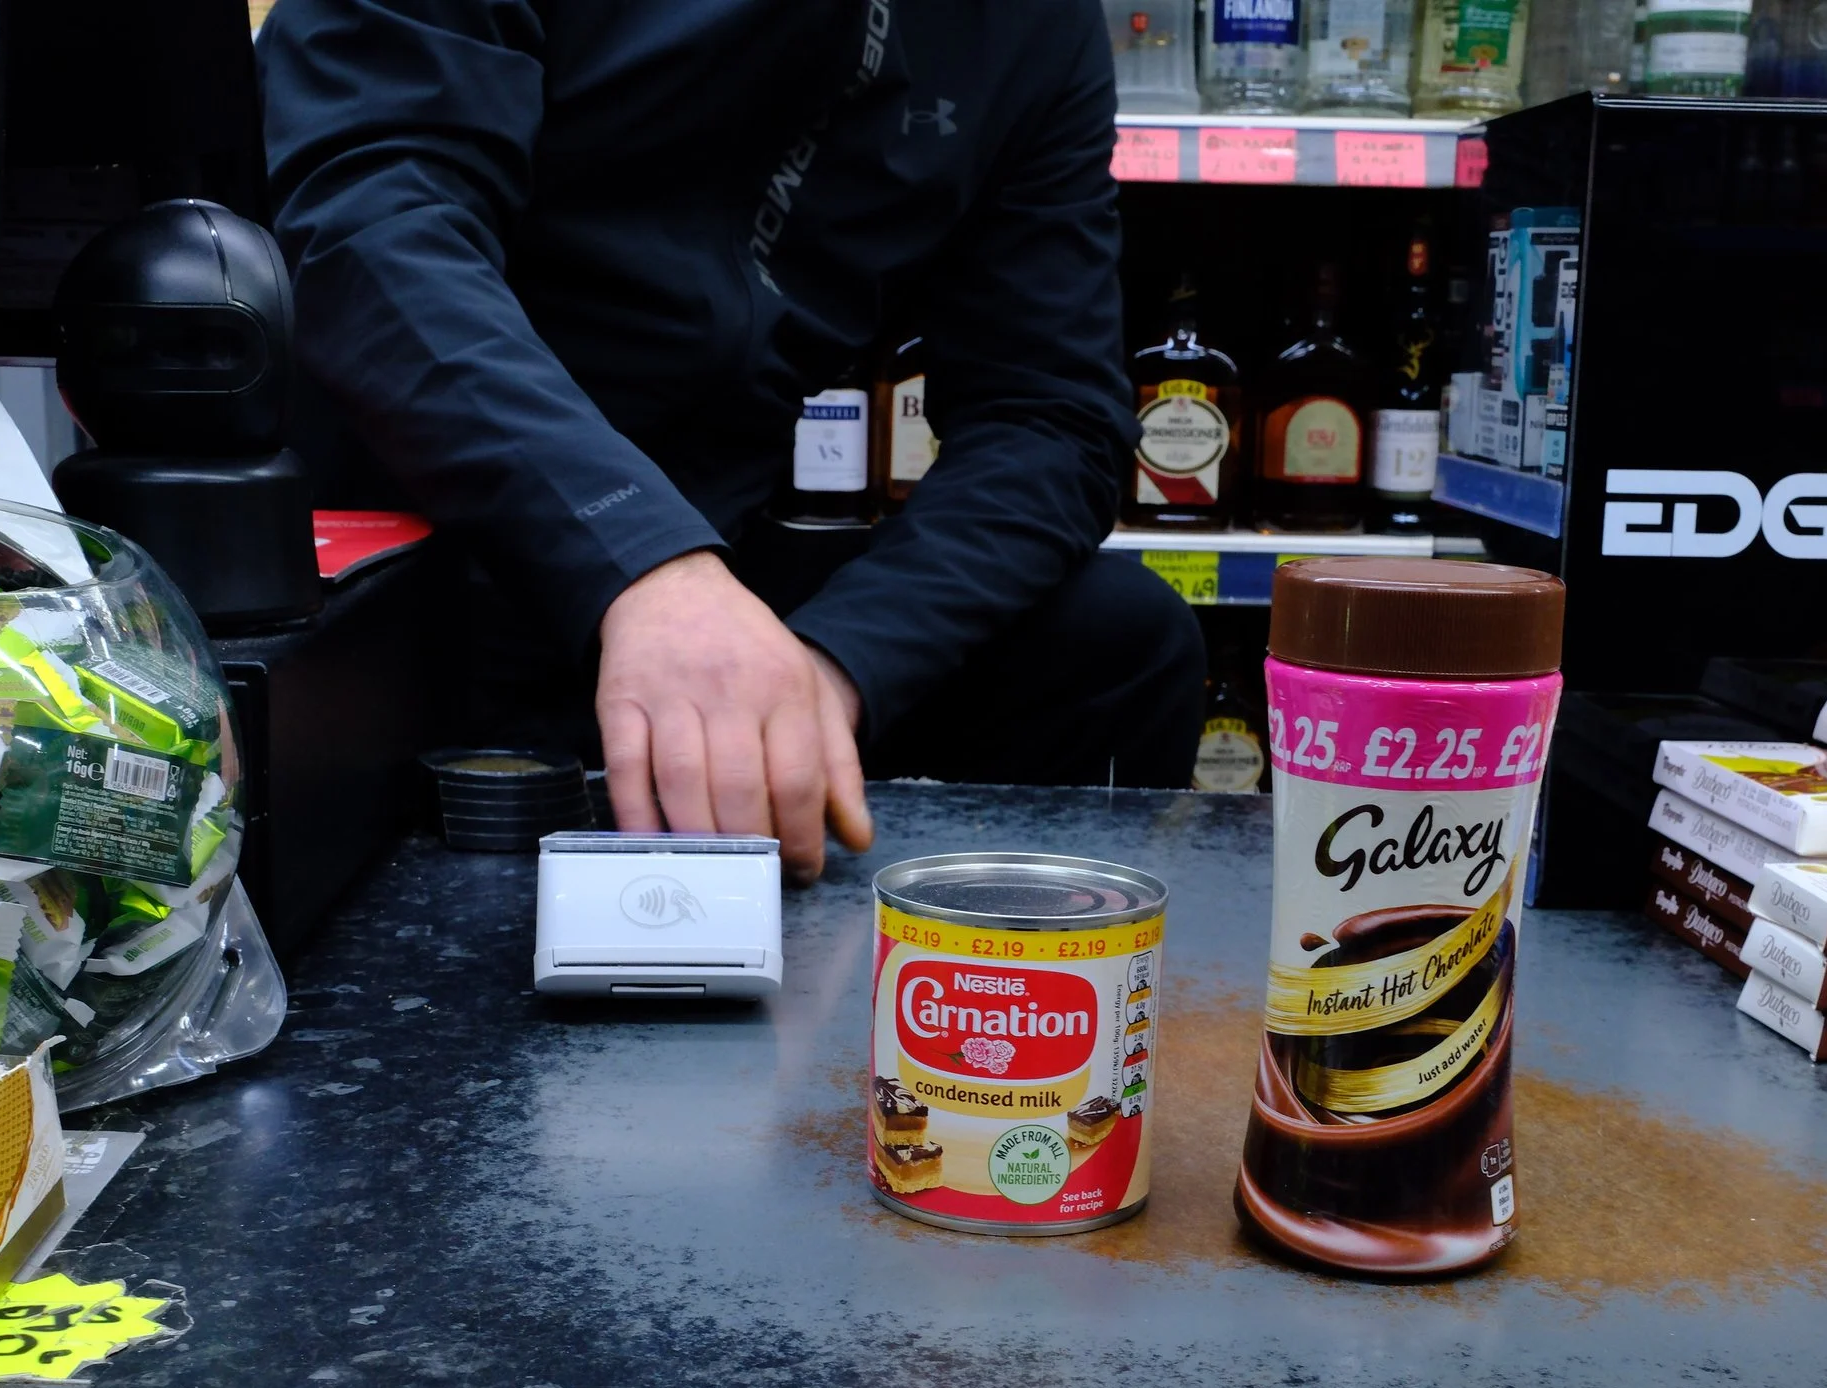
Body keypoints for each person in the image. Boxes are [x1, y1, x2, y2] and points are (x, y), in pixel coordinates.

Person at [259, 0, 1206, 880]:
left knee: (1120, 642)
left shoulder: (1034, 26)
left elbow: (1051, 414)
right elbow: (367, 232)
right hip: (402, 557)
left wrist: (835, 666)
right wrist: (637, 559)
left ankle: (925, 1034)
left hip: (721, 565)